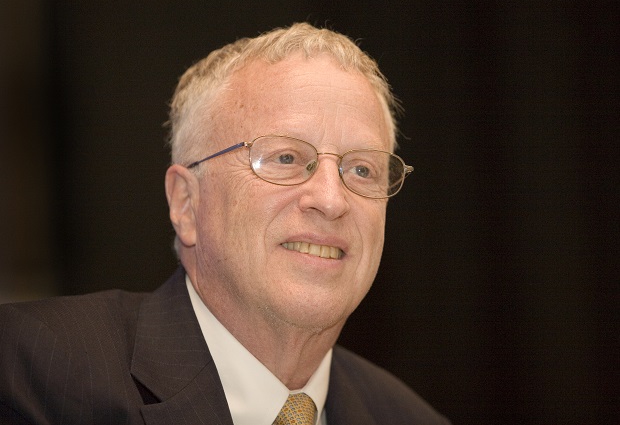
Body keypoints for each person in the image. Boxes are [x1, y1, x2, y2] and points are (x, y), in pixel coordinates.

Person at [0, 23, 450, 424]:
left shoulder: (410, 417)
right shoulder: (30, 370)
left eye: (362, 169)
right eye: (286, 158)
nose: (332, 200)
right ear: (186, 204)